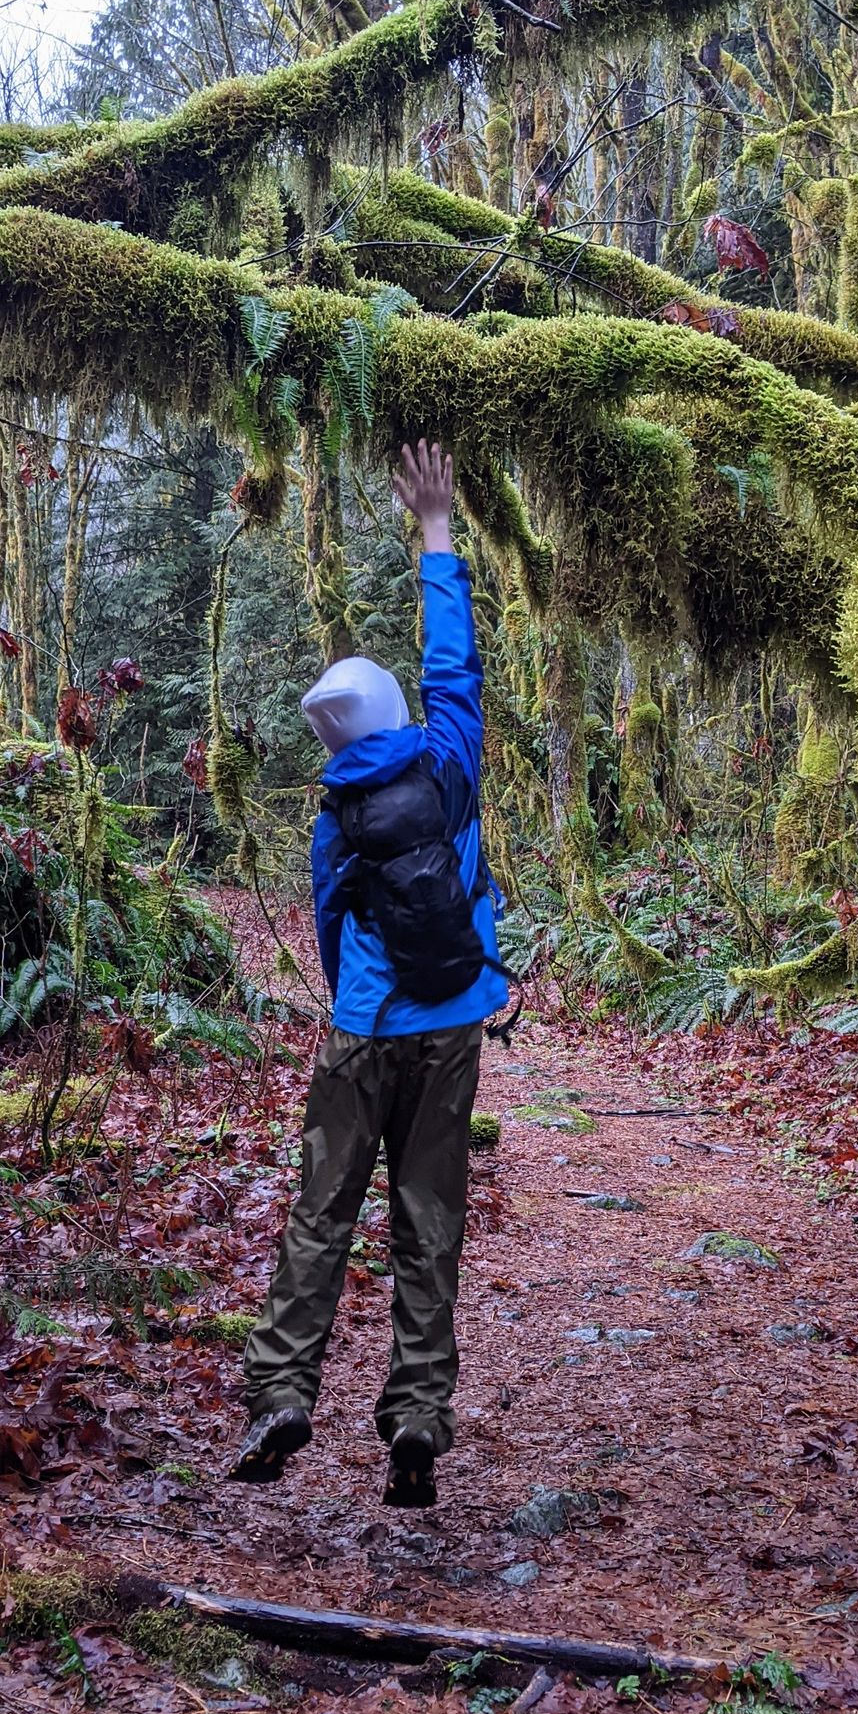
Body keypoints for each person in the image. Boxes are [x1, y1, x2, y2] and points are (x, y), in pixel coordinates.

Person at [230, 439, 509, 1510]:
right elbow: (454, 659)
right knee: (427, 1223)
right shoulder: (446, 762)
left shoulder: (333, 818)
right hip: (450, 1029)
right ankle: (415, 1423)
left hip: (362, 1032)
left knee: (321, 1215)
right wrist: (433, 528)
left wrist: (361, 1004)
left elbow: (332, 933)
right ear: (395, 708)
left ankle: (282, 1396)